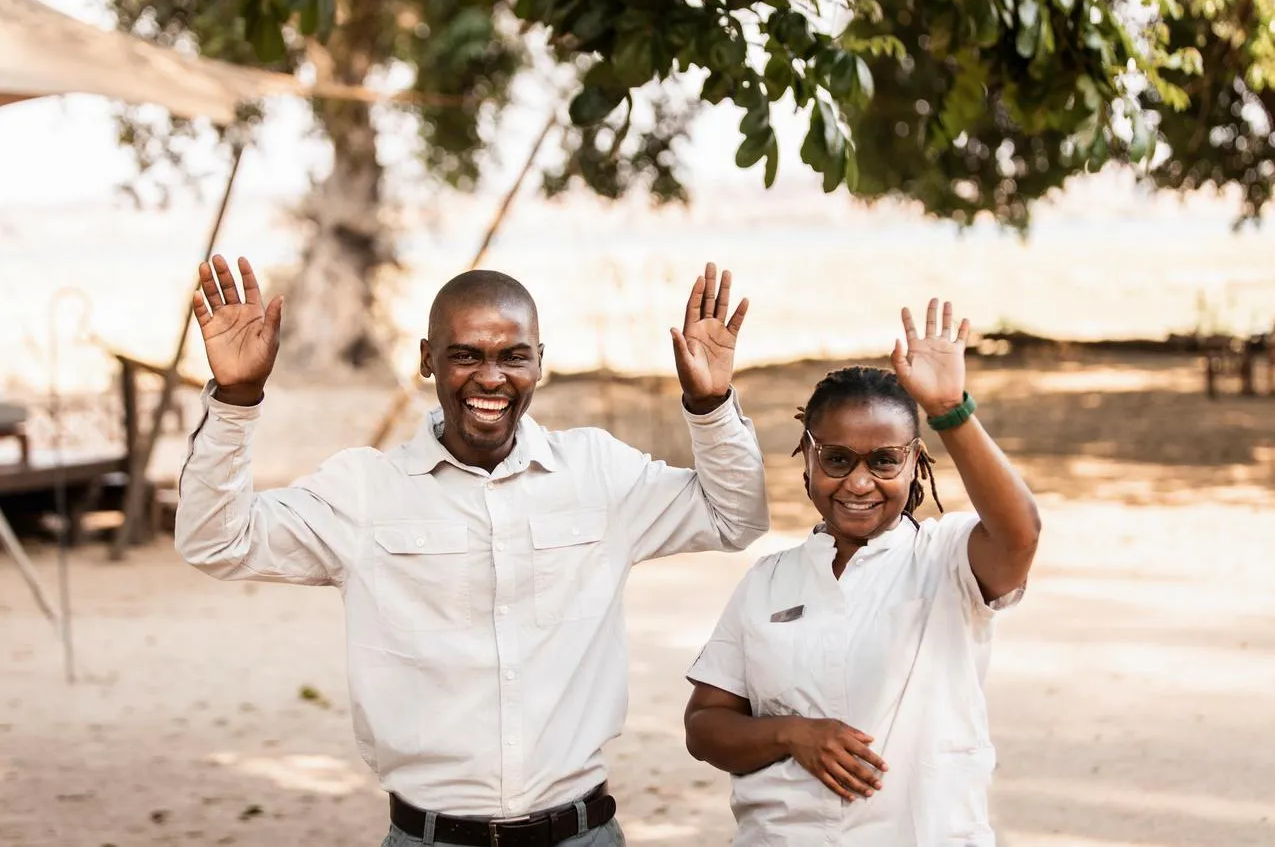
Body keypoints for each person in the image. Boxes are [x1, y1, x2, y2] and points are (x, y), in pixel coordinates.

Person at [174, 255, 771, 846]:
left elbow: (734, 517)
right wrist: (236, 396)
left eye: (514, 356)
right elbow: (217, 540)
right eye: (466, 355)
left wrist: (710, 406)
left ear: (540, 361)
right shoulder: (364, 490)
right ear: (428, 360)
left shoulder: (598, 473)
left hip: (582, 833)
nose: (492, 378)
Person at [683, 299, 1041, 846]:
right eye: (837, 459)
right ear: (807, 455)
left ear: (915, 459)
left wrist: (952, 410)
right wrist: (791, 733)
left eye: (884, 460)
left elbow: (1021, 534)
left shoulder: (947, 559)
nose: (858, 482)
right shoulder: (769, 581)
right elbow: (704, 726)